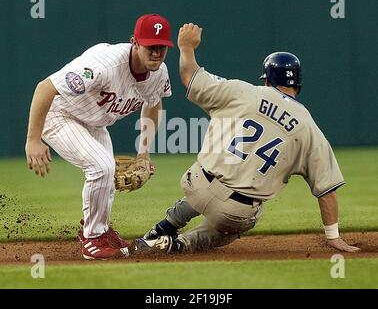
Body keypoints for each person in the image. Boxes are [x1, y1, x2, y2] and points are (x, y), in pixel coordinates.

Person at [132, 23, 360, 254]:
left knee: (202, 189)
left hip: (196, 182)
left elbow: (190, 77)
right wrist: (333, 236)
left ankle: (161, 228)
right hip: (235, 211)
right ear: (298, 85)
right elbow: (326, 190)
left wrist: (186, 47)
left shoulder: (243, 91)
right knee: (234, 224)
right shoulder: (310, 129)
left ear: (267, 80)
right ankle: (178, 243)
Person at [25, 14, 174, 260]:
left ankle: (101, 231)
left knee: (106, 176)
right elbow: (45, 87)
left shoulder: (158, 73)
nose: (157, 52)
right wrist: (33, 139)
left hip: (94, 122)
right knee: (102, 167)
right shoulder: (102, 65)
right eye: (150, 46)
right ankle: (92, 239)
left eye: (162, 47)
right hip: (60, 114)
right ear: (135, 42)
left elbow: (153, 103)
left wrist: (144, 152)